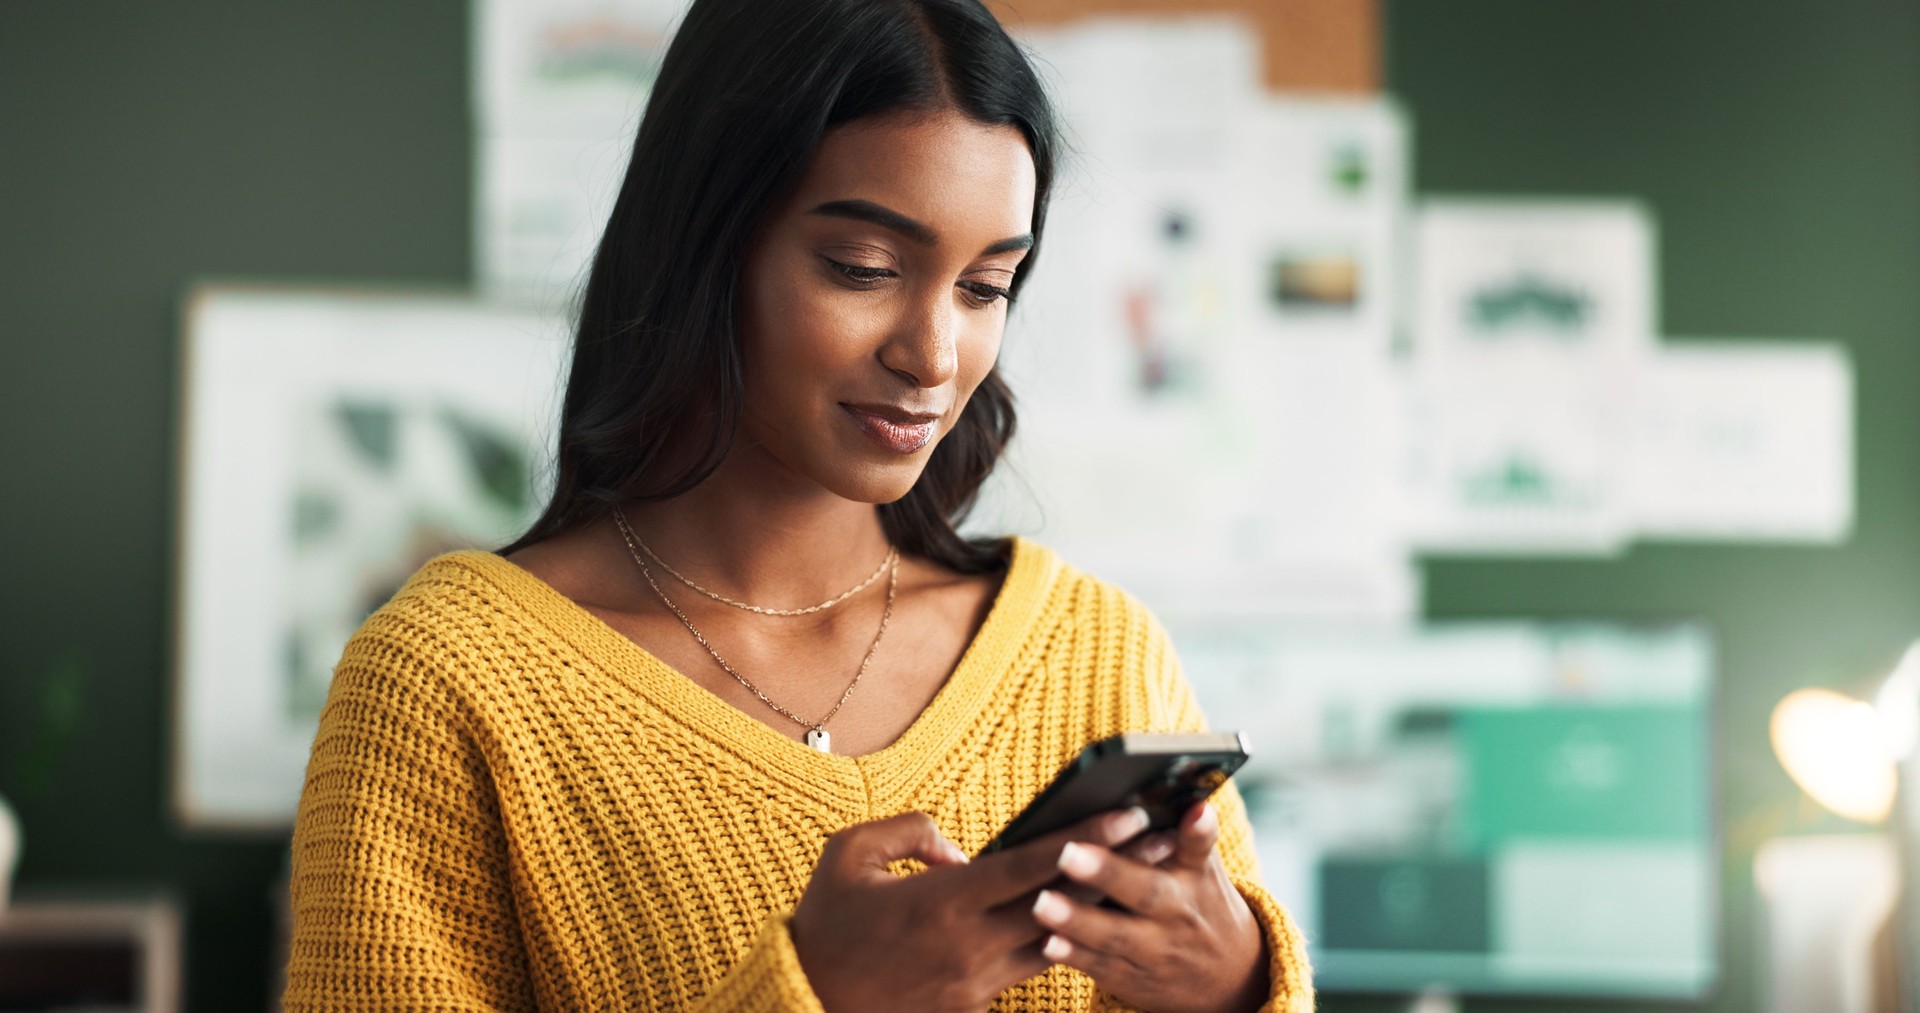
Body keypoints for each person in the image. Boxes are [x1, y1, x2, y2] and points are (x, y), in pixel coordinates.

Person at [281, 0, 1314, 1009]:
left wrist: (1235, 985)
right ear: (705, 246)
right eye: (863, 268)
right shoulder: (453, 685)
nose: (934, 356)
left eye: (986, 286)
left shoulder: (1097, 655)